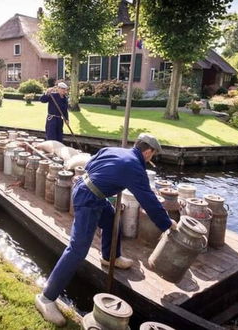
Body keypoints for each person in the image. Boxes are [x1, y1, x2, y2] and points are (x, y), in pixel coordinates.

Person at [34, 133, 177, 326]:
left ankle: (110, 256)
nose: (152, 158)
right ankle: (46, 298)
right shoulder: (134, 167)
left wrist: (112, 180)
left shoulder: (116, 151)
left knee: (111, 219)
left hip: (89, 190)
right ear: (148, 151)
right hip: (88, 199)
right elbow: (149, 201)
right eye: (153, 155)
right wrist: (167, 224)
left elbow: (92, 165)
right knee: (77, 250)